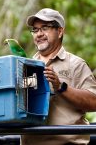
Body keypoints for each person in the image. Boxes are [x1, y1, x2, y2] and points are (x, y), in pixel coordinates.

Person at [21, 8, 96, 145]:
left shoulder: (76, 64)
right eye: (35, 30)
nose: (39, 34)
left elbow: (94, 102)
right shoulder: (23, 66)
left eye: (45, 28)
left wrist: (60, 87)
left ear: (60, 31)